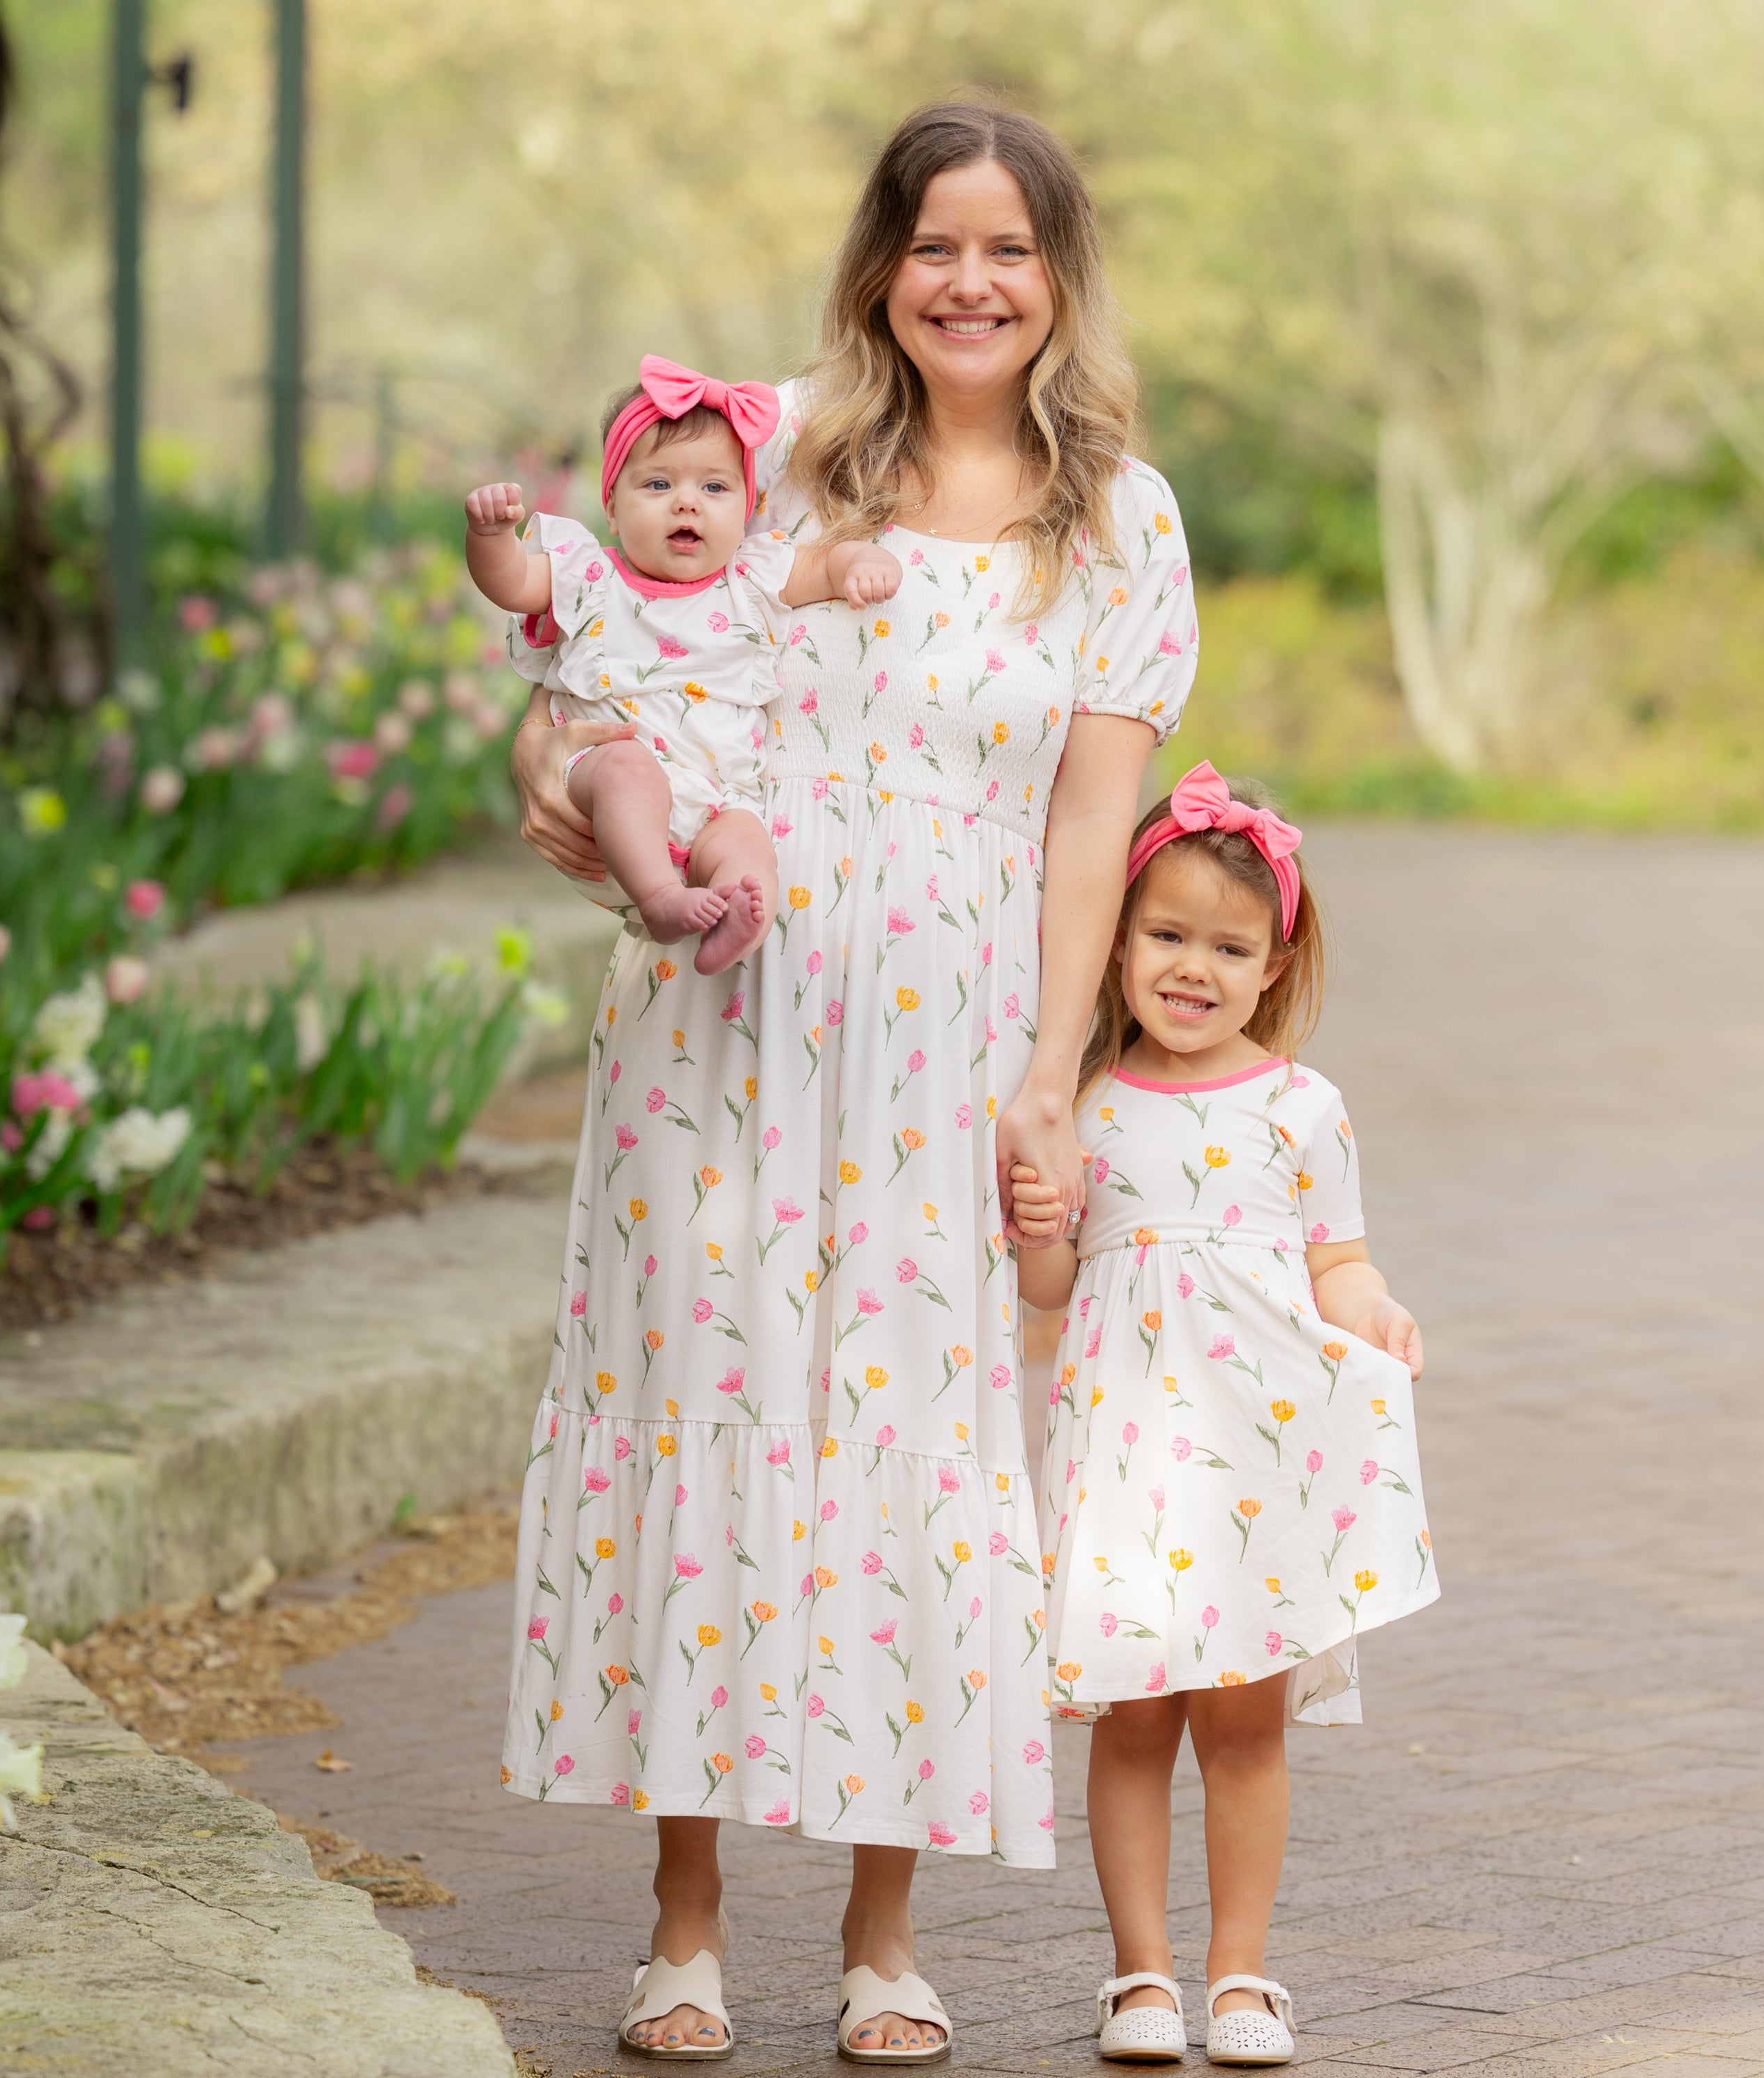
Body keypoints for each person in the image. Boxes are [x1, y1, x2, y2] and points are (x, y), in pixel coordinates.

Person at [500, 103, 1199, 2062]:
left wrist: (1053, 1075)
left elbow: (1091, 832)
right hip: (724, 1035)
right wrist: (560, 792)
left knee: (912, 1458)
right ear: (882, 265)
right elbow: (600, 674)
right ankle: (686, 1920)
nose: (969, 283)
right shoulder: (778, 452)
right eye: (935, 246)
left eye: (1010, 249)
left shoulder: (1118, 521)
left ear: (1058, 276)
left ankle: (886, 1936)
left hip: (945, 1046)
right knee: (714, 1419)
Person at [1013, 763, 1438, 2067]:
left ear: (1275, 961)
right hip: (1126, 1456)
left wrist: (1374, 1311)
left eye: (1229, 947)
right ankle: (1140, 1977)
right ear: (1120, 940)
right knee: (1136, 1723)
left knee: (1245, 1727)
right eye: (1166, 936)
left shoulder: (1302, 1108)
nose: (1193, 968)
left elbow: (1337, 1264)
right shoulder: (1080, 1103)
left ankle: (1242, 1976)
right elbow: (1048, 1296)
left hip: (1256, 1465)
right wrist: (1040, 1227)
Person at [464, 358, 902, 973]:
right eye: (659, 485)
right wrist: (490, 538)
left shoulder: (749, 579)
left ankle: (739, 918)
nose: (687, 504)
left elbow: (821, 567)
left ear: (747, 506)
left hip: (716, 797)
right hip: (605, 788)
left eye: (715, 489)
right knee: (627, 767)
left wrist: (858, 561)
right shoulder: (590, 578)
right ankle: (661, 898)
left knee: (749, 844)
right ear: (612, 509)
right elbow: (512, 582)